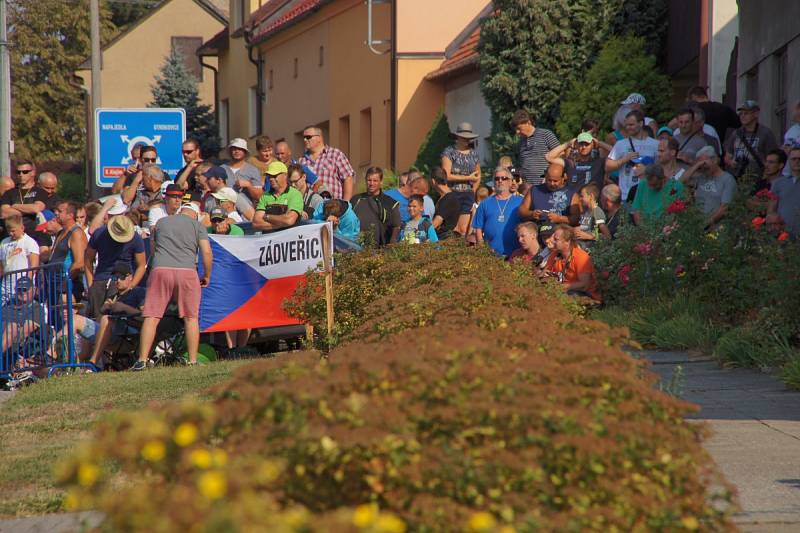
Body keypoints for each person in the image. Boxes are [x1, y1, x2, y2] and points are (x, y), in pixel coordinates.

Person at [133, 202, 212, 370]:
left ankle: (142, 360)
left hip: (161, 270)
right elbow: (206, 252)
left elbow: (153, 250)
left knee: (152, 316)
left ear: (180, 211)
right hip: (187, 272)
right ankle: (192, 360)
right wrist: (206, 275)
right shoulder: (198, 226)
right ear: (196, 215)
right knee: (190, 318)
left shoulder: (161, 222)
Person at [83, 262, 147, 370]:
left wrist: (124, 308)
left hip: (128, 336)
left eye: (121, 277)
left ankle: (92, 364)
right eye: (115, 277)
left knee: (106, 319)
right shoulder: (113, 297)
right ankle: (68, 365)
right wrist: (103, 309)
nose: (117, 280)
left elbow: (145, 316)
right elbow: (99, 321)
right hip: (110, 334)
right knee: (75, 321)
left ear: (130, 277)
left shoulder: (138, 292)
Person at [84, 214, 147, 319]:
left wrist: (130, 286)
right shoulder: (99, 234)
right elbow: (88, 259)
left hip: (121, 282)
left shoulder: (135, 238)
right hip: (100, 281)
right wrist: (91, 285)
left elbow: (141, 265)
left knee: (112, 320)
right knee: (99, 321)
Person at [606, 110, 661, 202]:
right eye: (626, 125)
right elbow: (607, 166)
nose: (628, 128)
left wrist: (647, 168)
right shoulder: (620, 144)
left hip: (648, 194)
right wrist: (624, 159)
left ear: (641, 123)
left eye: (631, 125)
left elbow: (661, 168)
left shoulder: (655, 144)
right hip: (625, 196)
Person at [441, 122, 482, 235]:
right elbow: (447, 176)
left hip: (468, 194)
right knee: (453, 228)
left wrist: (473, 190)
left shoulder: (474, 154)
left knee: (464, 229)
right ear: (457, 137)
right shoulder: (449, 152)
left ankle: (464, 250)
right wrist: (468, 177)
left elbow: (478, 175)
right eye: (464, 138)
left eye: (469, 138)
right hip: (453, 193)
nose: (467, 140)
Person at [473, 167, 524, 257]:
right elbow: (478, 228)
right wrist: (482, 249)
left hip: (516, 254)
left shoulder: (520, 201)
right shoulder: (485, 203)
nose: (500, 181)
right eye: (497, 179)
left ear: (510, 181)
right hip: (491, 255)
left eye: (504, 178)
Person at [682, 146, 737, 226]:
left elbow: (724, 208)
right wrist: (697, 165)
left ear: (714, 160)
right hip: (697, 225)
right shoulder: (701, 177)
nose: (703, 167)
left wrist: (706, 224)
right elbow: (682, 181)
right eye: (701, 164)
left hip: (716, 227)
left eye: (704, 163)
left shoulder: (728, 180)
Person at [544, 224, 601, 302]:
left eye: (556, 239)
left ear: (567, 241)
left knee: (562, 297)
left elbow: (584, 285)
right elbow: (546, 275)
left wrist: (562, 287)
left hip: (587, 295)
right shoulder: (554, 255)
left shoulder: (581, 256)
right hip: (565, 291)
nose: (552, 241)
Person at [724, 100, 779, 179]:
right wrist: (731, 162)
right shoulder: (736, 133)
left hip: (757, 177)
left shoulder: (766, 133)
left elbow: (773, 157)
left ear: (756, 114)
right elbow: (727, 157)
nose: (742, 116)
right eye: (741, 114)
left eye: (746, 113)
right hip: (737, 176)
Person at [299, 126, 355, 200]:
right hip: (310, 208)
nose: (305, 140)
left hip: (333, 207)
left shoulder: (335, 154)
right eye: (304, 137)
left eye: (308, 137)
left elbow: (348, 178)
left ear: (319, 138)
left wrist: (346, 204)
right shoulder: (301, 161)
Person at [1, 160, 48, 246]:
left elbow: (36, 208)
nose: (21, 175)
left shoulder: (40, 192)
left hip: (33, 236)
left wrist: (14, 206)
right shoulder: (9, 192)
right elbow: (4, 213)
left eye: (25, 172)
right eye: (18, 172)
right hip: (10, 238)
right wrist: (28, 211)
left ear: (32, 173)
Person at [350, 167, 401, 246]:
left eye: (375, 181)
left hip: (381, 250)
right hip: (357, 247)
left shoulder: (390, 203)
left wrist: (392, 242)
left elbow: (396, 226)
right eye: (369, 180)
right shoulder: (356, 200)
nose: (371, 183)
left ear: (381, 182)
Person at [47, 201, 88, 295]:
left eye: (60, 211)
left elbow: (80, 262)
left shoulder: (76, 233)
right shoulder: (60, 233)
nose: (56, 213)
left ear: (70, 215)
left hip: (68, 285)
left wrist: (66, 281)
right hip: (54, 283)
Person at [511, 110, 560, 187]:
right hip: (527, 187)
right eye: (516, 129)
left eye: (519, 128)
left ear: (528, 122)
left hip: (545, 185)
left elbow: (561, 155)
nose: (517, 132)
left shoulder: (545, 134)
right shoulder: (521, 142)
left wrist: (548, 176)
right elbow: (520, 165)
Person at [252, 161, 303, 232]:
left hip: (288, 241)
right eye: (269, 176)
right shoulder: (265, 196)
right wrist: (282, 224)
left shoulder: (295, 194)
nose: (271, 179)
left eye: (274, 176)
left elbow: (289, 220)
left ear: (285, 175)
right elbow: (256, 223)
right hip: (268, 241)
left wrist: (267, 216)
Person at [0, 215, 39, 305]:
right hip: (5, 286)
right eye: (9, 231)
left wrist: (27, 283)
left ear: (22, 228)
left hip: (21, 288)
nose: (10, 233)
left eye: (13, 231)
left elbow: (34, 265)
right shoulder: (4, 242)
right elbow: (1, 264)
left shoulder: (29, 242)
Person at [768, 146, 800, 238]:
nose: (797, 161)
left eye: (799, 158)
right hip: (782, 236)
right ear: (789, 161)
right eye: (794, 159)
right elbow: (771, 210)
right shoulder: (778, 183)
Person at [122, 163, 165, 228]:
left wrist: (149, 206)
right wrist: (136, 181)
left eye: (143, 176)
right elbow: (126, 200)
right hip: (141, 232)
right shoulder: (139, 192)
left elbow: (168, 206)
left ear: (149, 178)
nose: (141, 180)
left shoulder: (165, 191)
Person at [430, 166, 461, 239]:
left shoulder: (449, 198)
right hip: (441, 237)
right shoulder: (442, 197)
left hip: (444, 239)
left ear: (433, 181)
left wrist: (423, 235)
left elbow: (436, 223)